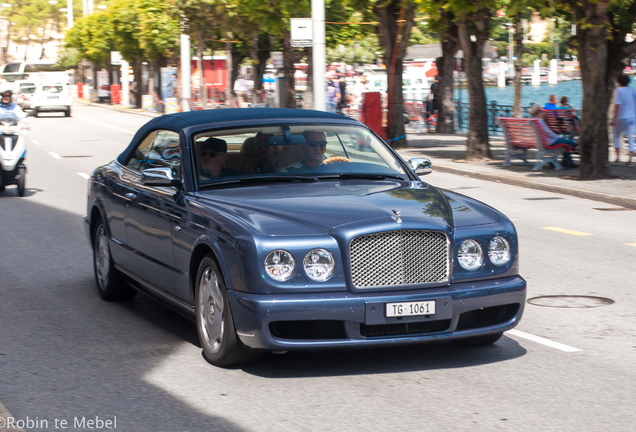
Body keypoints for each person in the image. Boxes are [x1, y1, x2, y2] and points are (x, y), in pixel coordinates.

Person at [610, 73, 636, 166]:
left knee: (616, 136)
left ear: (618, 81)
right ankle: (630, 159)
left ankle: (617, 158)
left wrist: (614, 118)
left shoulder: (618, 91)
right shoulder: (632, 90)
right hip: (632, 117)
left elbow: (617, 106)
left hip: (621, 117)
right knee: (630, 137)